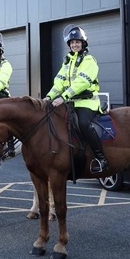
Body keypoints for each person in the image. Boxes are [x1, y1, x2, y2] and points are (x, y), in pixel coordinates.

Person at [45, 24, 107, 174]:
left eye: (77, 42)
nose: (75, 45)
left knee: (84, 124)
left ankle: (101, 159)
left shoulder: (89, 60)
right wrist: (48, 97)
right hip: (71, 102)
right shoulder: (67, 62)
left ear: (83, 43)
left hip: (87, 102)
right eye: (72, 42)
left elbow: (82, 82)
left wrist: (63, 97)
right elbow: (58, 83)